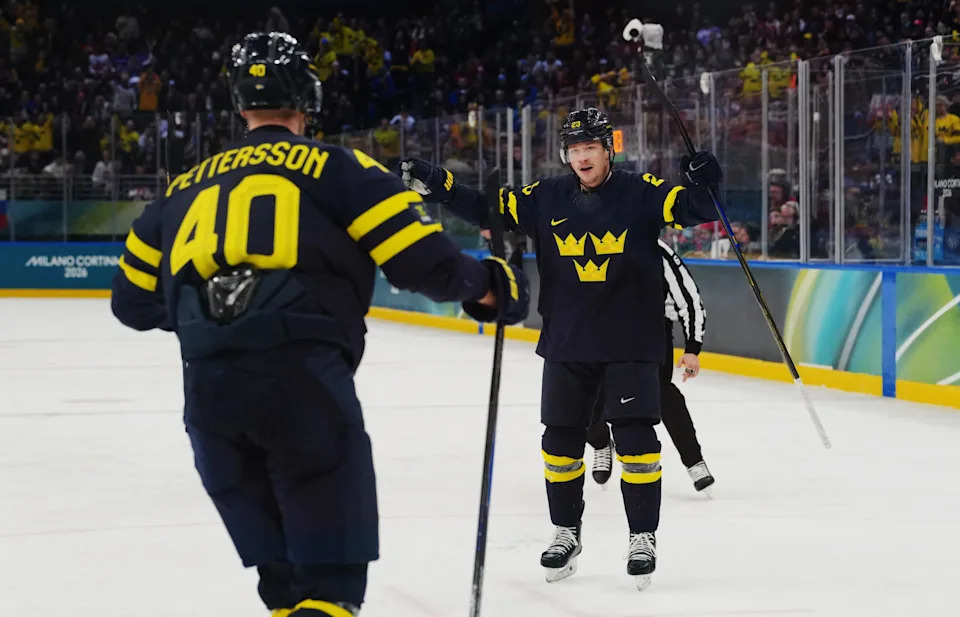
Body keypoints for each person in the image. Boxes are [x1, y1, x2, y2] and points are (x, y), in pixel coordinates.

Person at [110, 32, 528, 617]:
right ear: (308, 99)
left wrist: (216, 313)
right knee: (329, 587)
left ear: (240, 103)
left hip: (209, 397)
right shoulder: (340, 168)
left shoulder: (179, 191)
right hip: (300, 384)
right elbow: (421, 262)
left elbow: (131, 303)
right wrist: (491, 286)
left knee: (283, 584)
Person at [399, 107, 722, 590]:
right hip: (568, 342)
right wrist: (441, 186)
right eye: (574, 150)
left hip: (632, 342)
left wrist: (706, 181)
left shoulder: (641, 192)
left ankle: (642, 537)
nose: (582, 157)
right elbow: (488, 209)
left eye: (590, 147)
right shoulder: (545, 196)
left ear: (608, 150)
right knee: (559, 444)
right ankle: (566, 532)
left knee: (636, 442)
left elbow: (697, 209)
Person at [588, 238, 715, 495]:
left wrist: (692, 348)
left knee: (661, 392)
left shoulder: (654, 248)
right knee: (586, 391)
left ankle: (694, 461)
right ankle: (600, 442)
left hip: (650, 330)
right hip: (599, 327)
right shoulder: (589, 240)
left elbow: (688, 298)